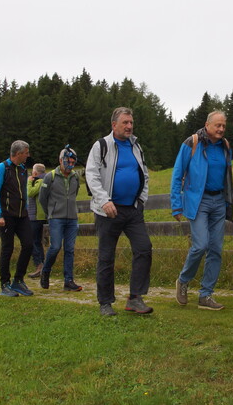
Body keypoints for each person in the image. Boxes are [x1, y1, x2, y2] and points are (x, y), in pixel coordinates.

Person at [86, 107, 154, 316]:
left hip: (133, 210)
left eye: (131, 122)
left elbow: (144, 174)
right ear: (114, 125)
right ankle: (105, 303)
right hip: (108, 211)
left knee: (144, 249)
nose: (129, 126)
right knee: (106, 257)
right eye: (125, 122)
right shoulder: (102, 145)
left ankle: (135, 298)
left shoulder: (136, 147)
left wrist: (141, 199)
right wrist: (105, 201)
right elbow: (91, 175)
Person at [172, 111, 233, 311]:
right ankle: (183, 280)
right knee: (200, 245)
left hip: (218, 202)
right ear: (207, 125)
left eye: (223, 126)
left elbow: (228, 175)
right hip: (199, 201)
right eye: (218, 125)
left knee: (216, 249)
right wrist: (176, 204)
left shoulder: (225, 146)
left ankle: (206, 295)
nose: (221, 129)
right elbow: (177, 173)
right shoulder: (192, 143)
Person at [0, 141, 36, 297]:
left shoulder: (23, 169)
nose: (28, 155)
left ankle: (18, 280)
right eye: (26, 152)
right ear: (18, 153)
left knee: (29, 244)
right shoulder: (3, 167)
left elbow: (24, 191)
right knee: (7, 248)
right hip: (7, 215)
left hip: (22, 215)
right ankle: (4, 284)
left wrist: (26, 208)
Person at [38, 146, 83, 291]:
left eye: (72, 162)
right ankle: (45, 271)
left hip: (72, 218)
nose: (70, 165)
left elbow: (74, 194)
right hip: (56, 217)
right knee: (55, 246)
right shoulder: (49, 177)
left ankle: (68, 281)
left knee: (69, 249)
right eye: (67, 161)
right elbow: (42, 198)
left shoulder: (75, 177)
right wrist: (51, 212)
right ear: (60, 160)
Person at [27, 164, 49, 278]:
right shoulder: (46, 180)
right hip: (40, 215)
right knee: (37, 240)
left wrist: (29, 182)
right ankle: (43, 264)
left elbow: (30, 193)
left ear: (35, 173)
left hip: (36, 215)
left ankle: (39, 265)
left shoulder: (39, 181)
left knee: (33, 241)